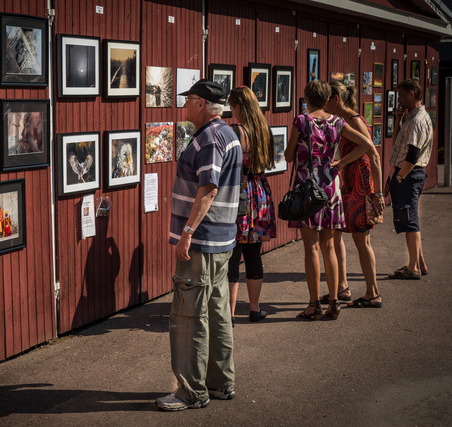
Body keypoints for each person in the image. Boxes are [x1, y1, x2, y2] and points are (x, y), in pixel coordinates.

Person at [156, 79, 242, 411]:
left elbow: (208, 189)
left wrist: (187, 233)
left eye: (189, 99)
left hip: (203, 242)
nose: (184, 105)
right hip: (222, 240)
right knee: (218, 311)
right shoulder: (228, 134)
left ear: (203, 104)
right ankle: (220, 382)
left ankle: (190, 391)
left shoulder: (209, 138)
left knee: (190, 315)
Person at [284, 80, 375, 320]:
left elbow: (288, 154)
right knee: (330, 246)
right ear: (326, 98)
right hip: (330, 186)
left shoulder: (302, 121)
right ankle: (334, 301)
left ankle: (314, 304)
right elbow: (366, 143)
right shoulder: (337, 122)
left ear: (306, 98)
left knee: (311, 247)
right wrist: (341, 162)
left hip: (307, 188)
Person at [323, 80, 384, 308]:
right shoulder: (343, 120)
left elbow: (371, 152)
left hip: (360, 183)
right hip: (349, 183)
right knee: (337, 233)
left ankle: (373, 292)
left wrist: (377, 194)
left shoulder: (354, 120)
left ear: (335, 99)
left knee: (361, 240)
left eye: (326, 99)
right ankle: (342, 286)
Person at [226, 86, 277, 322]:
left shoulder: (237, 130)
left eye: (231, 107)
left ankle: (229, 313)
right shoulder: (263, 128)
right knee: (254, 254)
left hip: (240, 193)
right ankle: (255, 308)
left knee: (233, 254)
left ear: (237, 106)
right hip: (260, 192)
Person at [387, 79, 433, 279]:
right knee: (411, 216)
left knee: (409, 220)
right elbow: (397, 140)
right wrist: (398, 119)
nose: (399, 99)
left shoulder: (417, 120)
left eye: (402, 95)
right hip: (409, 173)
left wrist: (400, 177)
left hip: (409, 174)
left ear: (412, 93)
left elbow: (413, 155)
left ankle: (412, 267)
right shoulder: (411, 117)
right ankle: (420, 263)